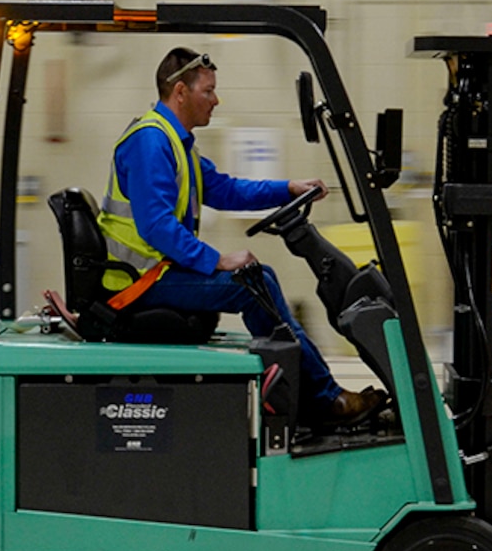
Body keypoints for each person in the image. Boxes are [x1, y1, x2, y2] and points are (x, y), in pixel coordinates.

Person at [96, 47, 383, 422]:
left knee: (260, 278)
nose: (216, 100)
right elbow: (156, 225)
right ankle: (324, 400)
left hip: (157, 272)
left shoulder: (175, 143)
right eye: (209, 91)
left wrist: (288, 188)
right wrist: (217, 259)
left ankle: (314, 395)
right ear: (180, 92)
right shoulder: (151, 142)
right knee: (252, 284)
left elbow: (227, 190)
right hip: (140, 282)